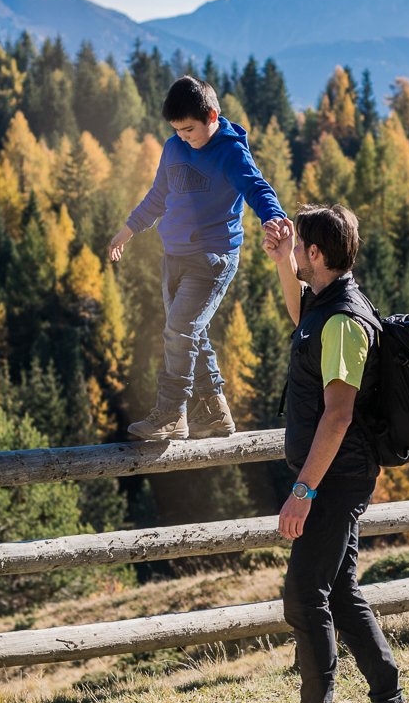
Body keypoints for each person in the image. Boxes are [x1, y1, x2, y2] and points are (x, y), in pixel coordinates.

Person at [239, 205, 409, 703]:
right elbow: (301, 318)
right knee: (338, 591)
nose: (296, 254)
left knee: (303, 594)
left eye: (300, 248)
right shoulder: (328, 306)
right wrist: (282, 261)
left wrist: (304, 490)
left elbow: (338, 415)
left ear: (317, 253)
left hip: (335, 478)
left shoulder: (343, 322)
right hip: (336, 472)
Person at [109, 75, 287, 441]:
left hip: (213, 257)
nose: (183, 137)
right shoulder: (173, 148)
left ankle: (171, 413)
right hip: (174, 256)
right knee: (191, 332)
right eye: (176, 130)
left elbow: (257, 188)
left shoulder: (230, 152)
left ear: (212, 116)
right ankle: (214, 411)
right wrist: (127, 230)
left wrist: (274, 217)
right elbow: (158, 196)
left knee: (179, 331)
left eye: (189, 129)